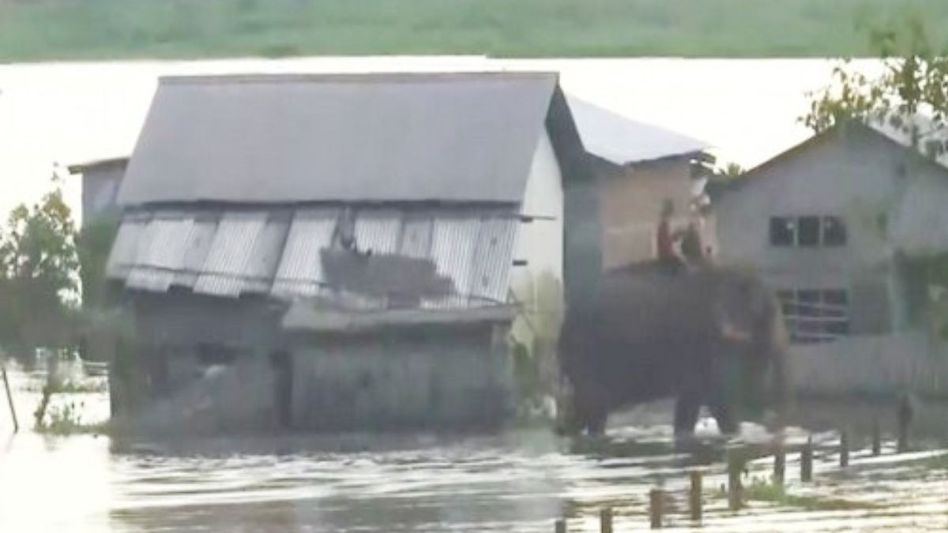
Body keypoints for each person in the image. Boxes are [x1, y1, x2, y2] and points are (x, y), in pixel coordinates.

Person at [656, 199, 684, 273]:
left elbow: (668, 241)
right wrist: (676, 235)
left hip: (667, 257)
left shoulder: (664, 225)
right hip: (667, 258)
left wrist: (676, 236)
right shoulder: (663, 226)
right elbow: (666, 244)